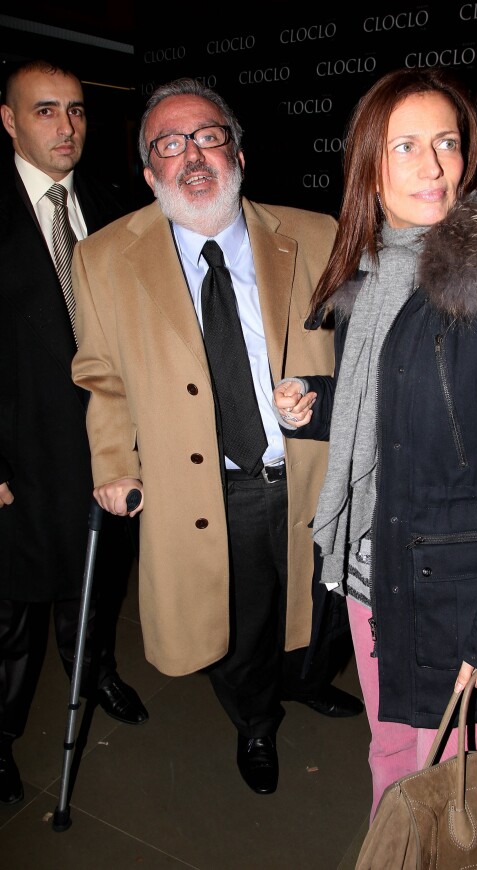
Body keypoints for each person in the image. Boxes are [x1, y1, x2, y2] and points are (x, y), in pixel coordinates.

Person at [273, 67, 477, 822]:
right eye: (406, 146)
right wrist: (319, 405)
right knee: (393, 754)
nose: (432, 167)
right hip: (379, 572)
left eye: (445, 143)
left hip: (456, 592)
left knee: (453, 792)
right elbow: (405, 410)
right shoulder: (371, 269)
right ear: (369, 163)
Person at [69, 77, 362, 798]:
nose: (192, 156)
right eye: (170, 145)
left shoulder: (317, 234)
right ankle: (256, 721)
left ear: (237, 150)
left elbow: (362, 354)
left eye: (208, 136)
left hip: (308, 476)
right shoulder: (103, 259)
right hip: (202, 490)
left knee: (323, 608)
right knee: (233, 626)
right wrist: (113, 461)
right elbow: (100, 375)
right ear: (149, 171)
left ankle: (303, 680)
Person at [0, 59, 149, 806]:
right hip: (18, 449)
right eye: (47, 111)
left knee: (93, 579)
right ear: (9, 121)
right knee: (12, 609)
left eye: (79, 111)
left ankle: (95, 676)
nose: (68, 127)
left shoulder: (109, 201)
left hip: (100, 443)